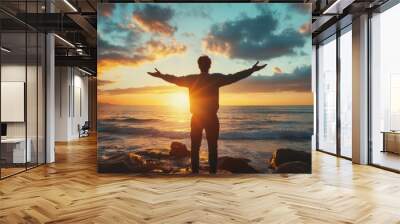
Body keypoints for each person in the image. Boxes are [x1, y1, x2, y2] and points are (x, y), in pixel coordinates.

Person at [147, 55, 267, 174]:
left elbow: (175, 79)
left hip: (197, 118)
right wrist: (251, 70)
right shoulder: (215, 78)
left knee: (195, 148)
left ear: (199, 66)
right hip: (211, 118)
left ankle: (195, 174)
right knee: (212, 148)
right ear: (210, 65)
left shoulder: (192, 79)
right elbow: (235, 77)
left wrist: (161, 76)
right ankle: (212, 174)